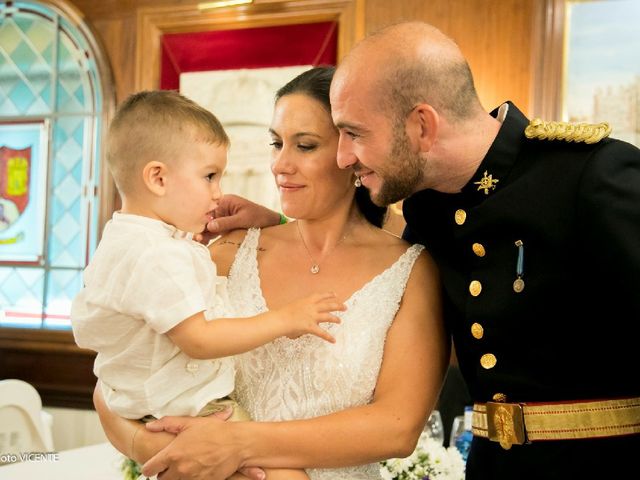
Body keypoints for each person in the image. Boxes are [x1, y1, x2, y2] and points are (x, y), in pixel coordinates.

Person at [187, 21, 640, 480]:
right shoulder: (429, 208)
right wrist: (277, 222)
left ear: (422, 125)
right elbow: (350, 242)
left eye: (356, 134)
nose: (345, 156)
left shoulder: (588, 177)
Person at [93, 67, 448, 480]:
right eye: (277, 143)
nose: (280, 164)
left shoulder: (409, 271)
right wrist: (163, 450)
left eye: (305, 146)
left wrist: (237, 446)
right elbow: (119, 376)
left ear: (351, 155)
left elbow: (398, 428)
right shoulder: (228, 251)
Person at [73, 90, 350, 480]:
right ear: (157, 177)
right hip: (185, 410)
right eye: (209, 176)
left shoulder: (128, 240)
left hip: (147, 403)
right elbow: (200, 340)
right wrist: (286, 319)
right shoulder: (159, 256)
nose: (219, 192)